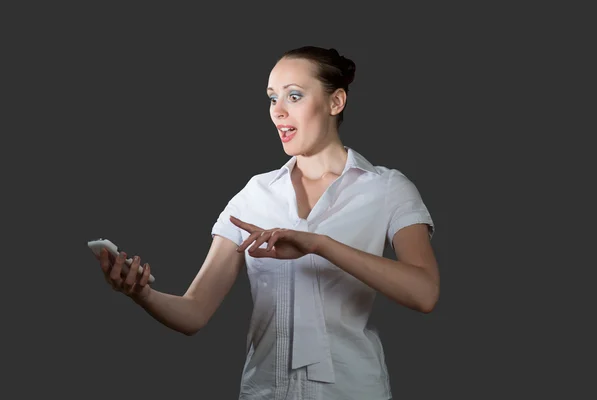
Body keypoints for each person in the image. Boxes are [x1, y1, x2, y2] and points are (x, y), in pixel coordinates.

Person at [97, 46, 440, 400]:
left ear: (336, 102)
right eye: (272, 98)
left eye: (294, 96)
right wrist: (142, 294)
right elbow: (195, 311)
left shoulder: (387, 188)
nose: (278, 111)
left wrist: (319, 244)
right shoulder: (254, 194)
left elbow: (424, 292)